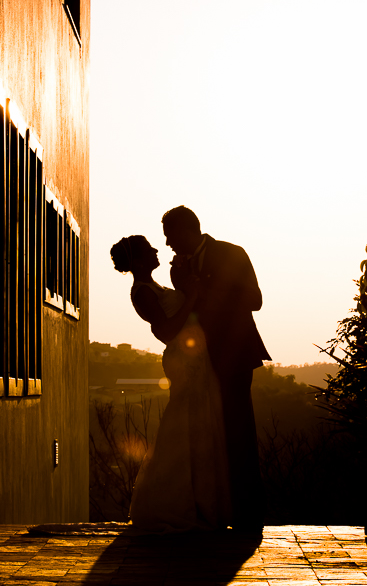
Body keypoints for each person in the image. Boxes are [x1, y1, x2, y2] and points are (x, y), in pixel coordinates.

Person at [110, 234, 232, 533]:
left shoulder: (155, 286)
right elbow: (164, 330)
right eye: (149, 248)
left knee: (202, 424)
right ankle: (178, 502)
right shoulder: (141, 292)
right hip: (184, 362)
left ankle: (202, 502)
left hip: (197, 359)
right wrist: (189, 295)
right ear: (138, 261)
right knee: (187, 425)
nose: (156, 250)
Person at [162, 206, 270, 531]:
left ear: (188, 230)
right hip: (199, 362)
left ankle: (248, 514)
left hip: (234, 355)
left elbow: (255, 299)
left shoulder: (231, 253)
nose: (167, 244)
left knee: (238, 432)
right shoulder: (177, 268)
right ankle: (215, 509)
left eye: (170, 236)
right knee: (208, 437)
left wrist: (209, 290)